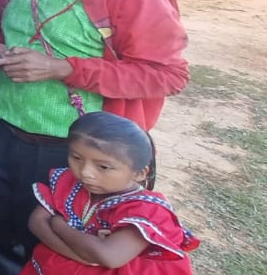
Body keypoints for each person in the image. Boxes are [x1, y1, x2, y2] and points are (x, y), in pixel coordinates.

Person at [0, 0, 190, 275]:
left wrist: (63, 69)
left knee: (55, 249)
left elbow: (168, 75)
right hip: (1, 130)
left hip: (72, 153)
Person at [22, 112, 199, 274]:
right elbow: (36, 222)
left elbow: (109, 257)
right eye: (76, 158)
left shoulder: (147, 211)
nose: (85, 172)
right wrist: (80, 256)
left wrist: (57, 223)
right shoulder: (69, 182)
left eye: (103, 167)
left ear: (139, 173)